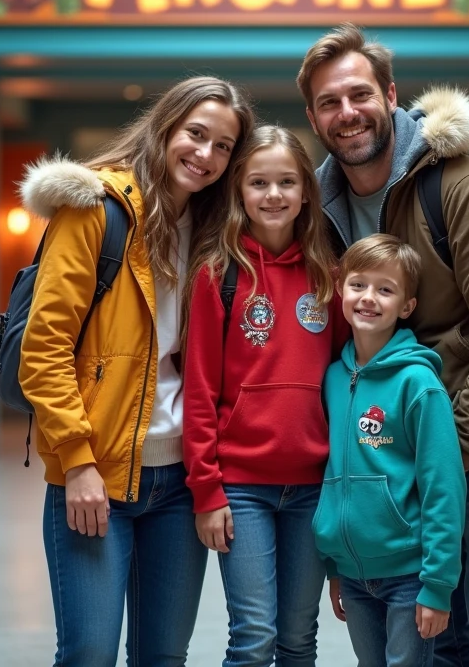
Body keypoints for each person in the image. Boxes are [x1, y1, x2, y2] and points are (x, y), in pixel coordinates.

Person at [302, 24, 469, 666]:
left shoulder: (463, 185)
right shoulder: (319, 208)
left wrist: (457, 446)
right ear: (313, 116)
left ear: (391, 95)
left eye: (359, 94)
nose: (347, 114)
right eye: (329, 103)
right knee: (436, 637)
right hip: (397, 445)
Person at [18, 76, 253, 667]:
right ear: (166, 128)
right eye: (196, 135)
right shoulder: (96, 210)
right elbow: (44, 347)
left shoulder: (213, 232)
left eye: (223, 146)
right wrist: (75, 461)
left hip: (179, 482)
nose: (205, 155)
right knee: (89, 653)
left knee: (163, 656)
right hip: (97, 473)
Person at [183, 124, 346, 667]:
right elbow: (200, 392)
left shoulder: (330, 276)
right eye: (258, 182)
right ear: (239, 193)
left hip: (312, 489)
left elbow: (347, 382)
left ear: (306, 192)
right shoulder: (217, 274)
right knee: (253, 639)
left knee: (299, 637)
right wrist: (206, 491)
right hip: (243, 490)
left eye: (286, 182)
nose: (273, 195)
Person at [314, 234, 466, 667]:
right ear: (341, 290)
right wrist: (336, 568)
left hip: (409, 575)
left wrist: (437, 585)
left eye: (385, 289)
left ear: (406, 307)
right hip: (355, 574)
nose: (368, 298)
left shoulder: (418, 385)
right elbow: (332, 473)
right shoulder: (333, 379)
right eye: (358, 284)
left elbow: (443, 489)